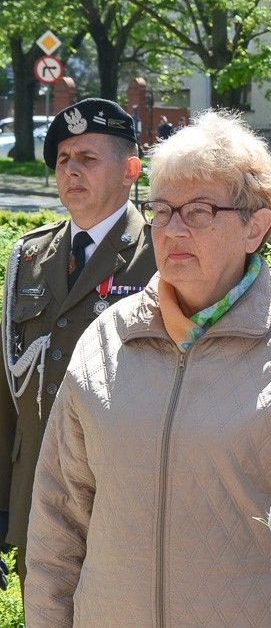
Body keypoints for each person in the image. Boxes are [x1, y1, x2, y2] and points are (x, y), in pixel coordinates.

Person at [24, 111, 271, 627]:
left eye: (199, 211)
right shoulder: (107, 338)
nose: (173, 229)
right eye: (162, 210)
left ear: (255, 226)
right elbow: (58, 520)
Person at [0, 98, 155, 590]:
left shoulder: (162, 254)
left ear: (130, 171)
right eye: (63, 159)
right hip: (36, 493)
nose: (71, 170)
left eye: (88, 158)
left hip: (122, 496)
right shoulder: (30, 257)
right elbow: (7, 390)